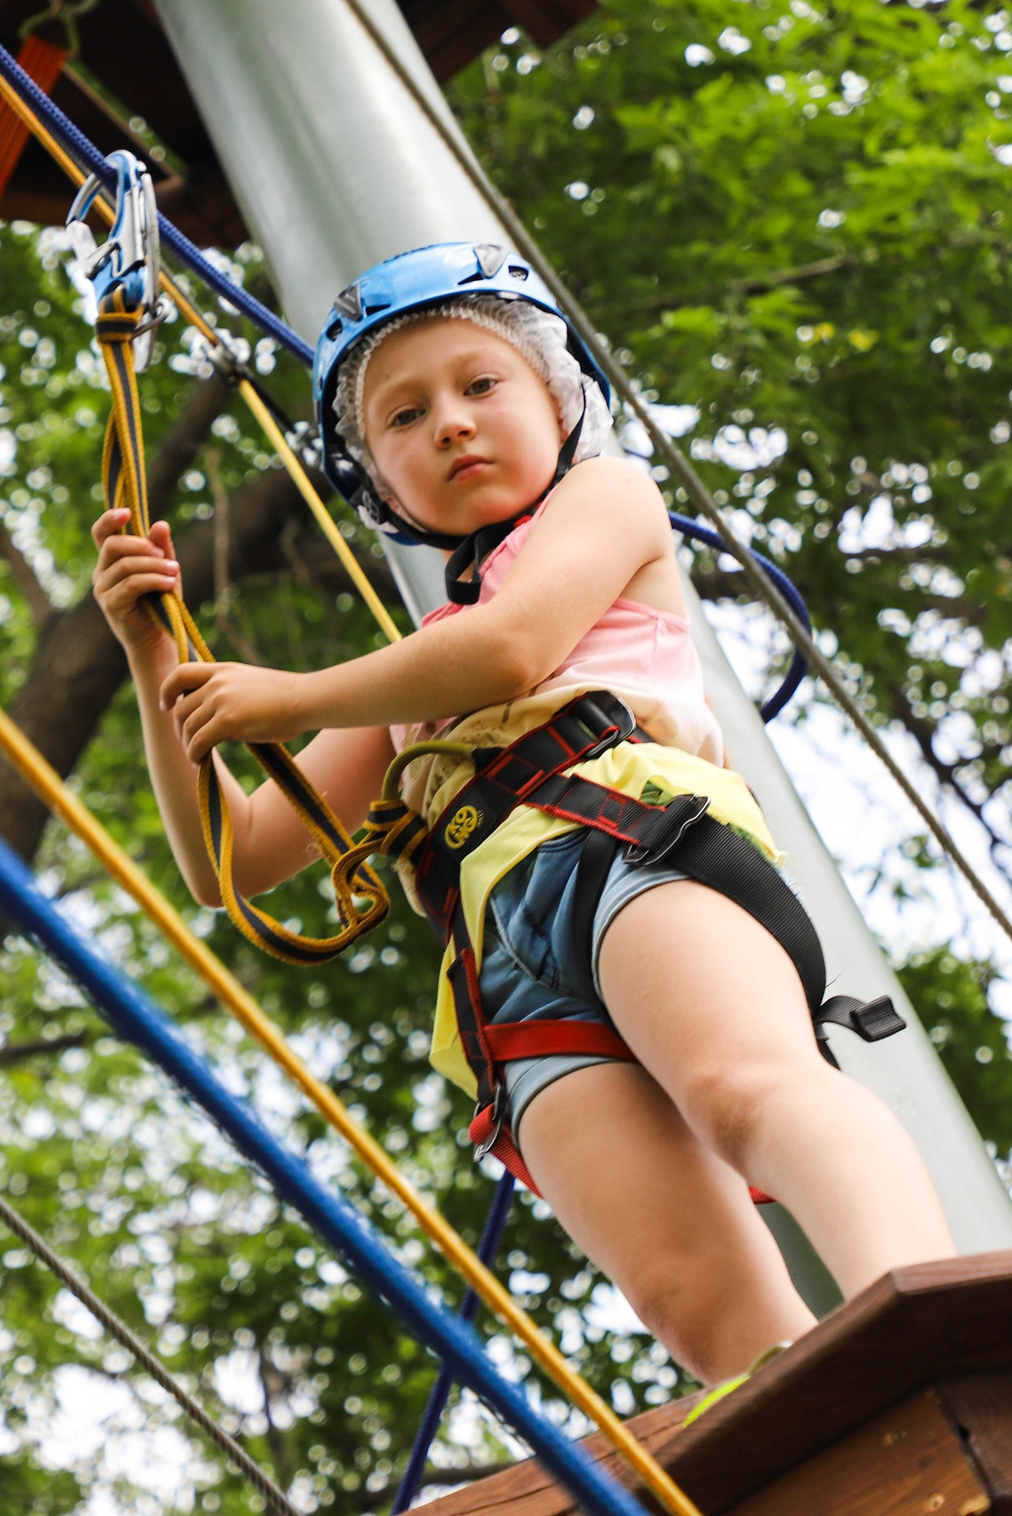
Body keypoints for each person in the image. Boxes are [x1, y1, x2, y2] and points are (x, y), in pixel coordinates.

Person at [89, 242, 953, 1384]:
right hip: (503, 962)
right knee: (678, 1286)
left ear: (557, 402)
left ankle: (929, 1305)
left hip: (623, 839)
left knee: (743, 1088)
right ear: (380, 485)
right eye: (403, 417)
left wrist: (287, 696)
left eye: (480, 385)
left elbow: (513, 648)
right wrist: (156, 659)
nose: (449, 423)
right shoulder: (410, 674)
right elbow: (232, 860)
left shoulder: (607, 497)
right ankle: (816, 1448)